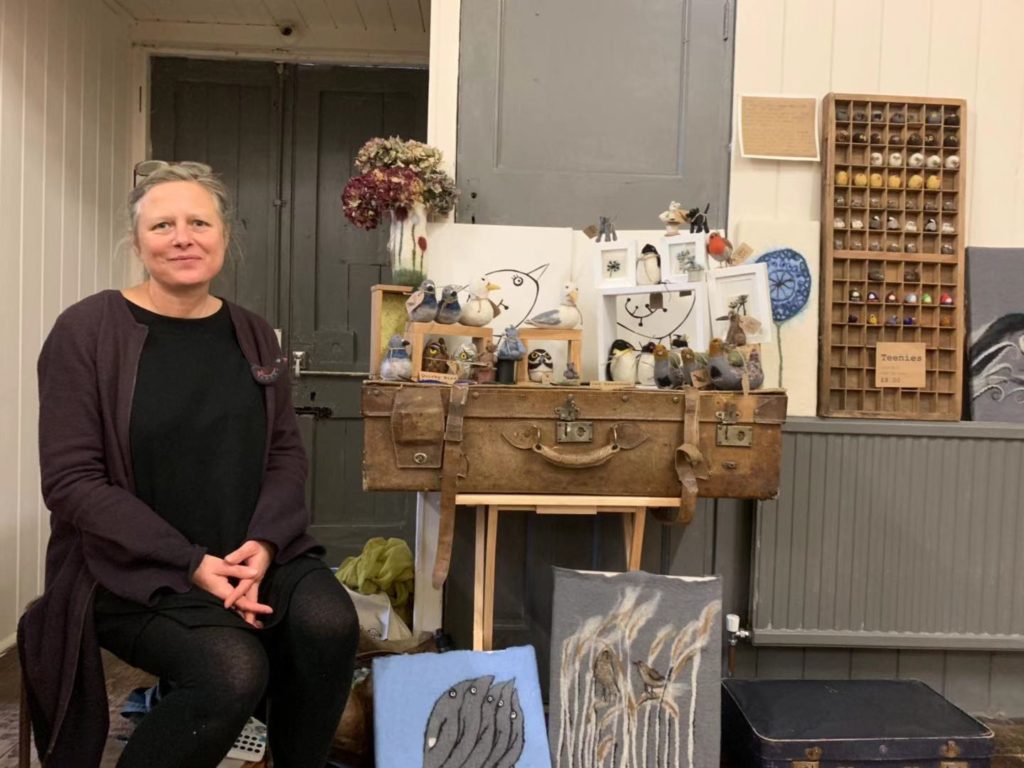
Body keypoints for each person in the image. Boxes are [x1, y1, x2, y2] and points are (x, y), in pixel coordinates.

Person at [18, 162, 359, 767]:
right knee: (231, 669)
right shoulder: (87, 332)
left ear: (225, 237)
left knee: (329, 622)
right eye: (163, 225)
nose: (183, 237)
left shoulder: (254, 335)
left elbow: (284, 454)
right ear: (137, 242)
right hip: (131, 568)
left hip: (245, 556)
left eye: (199, 222)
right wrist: (190, 561)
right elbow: (72, 483)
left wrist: (266, 544)